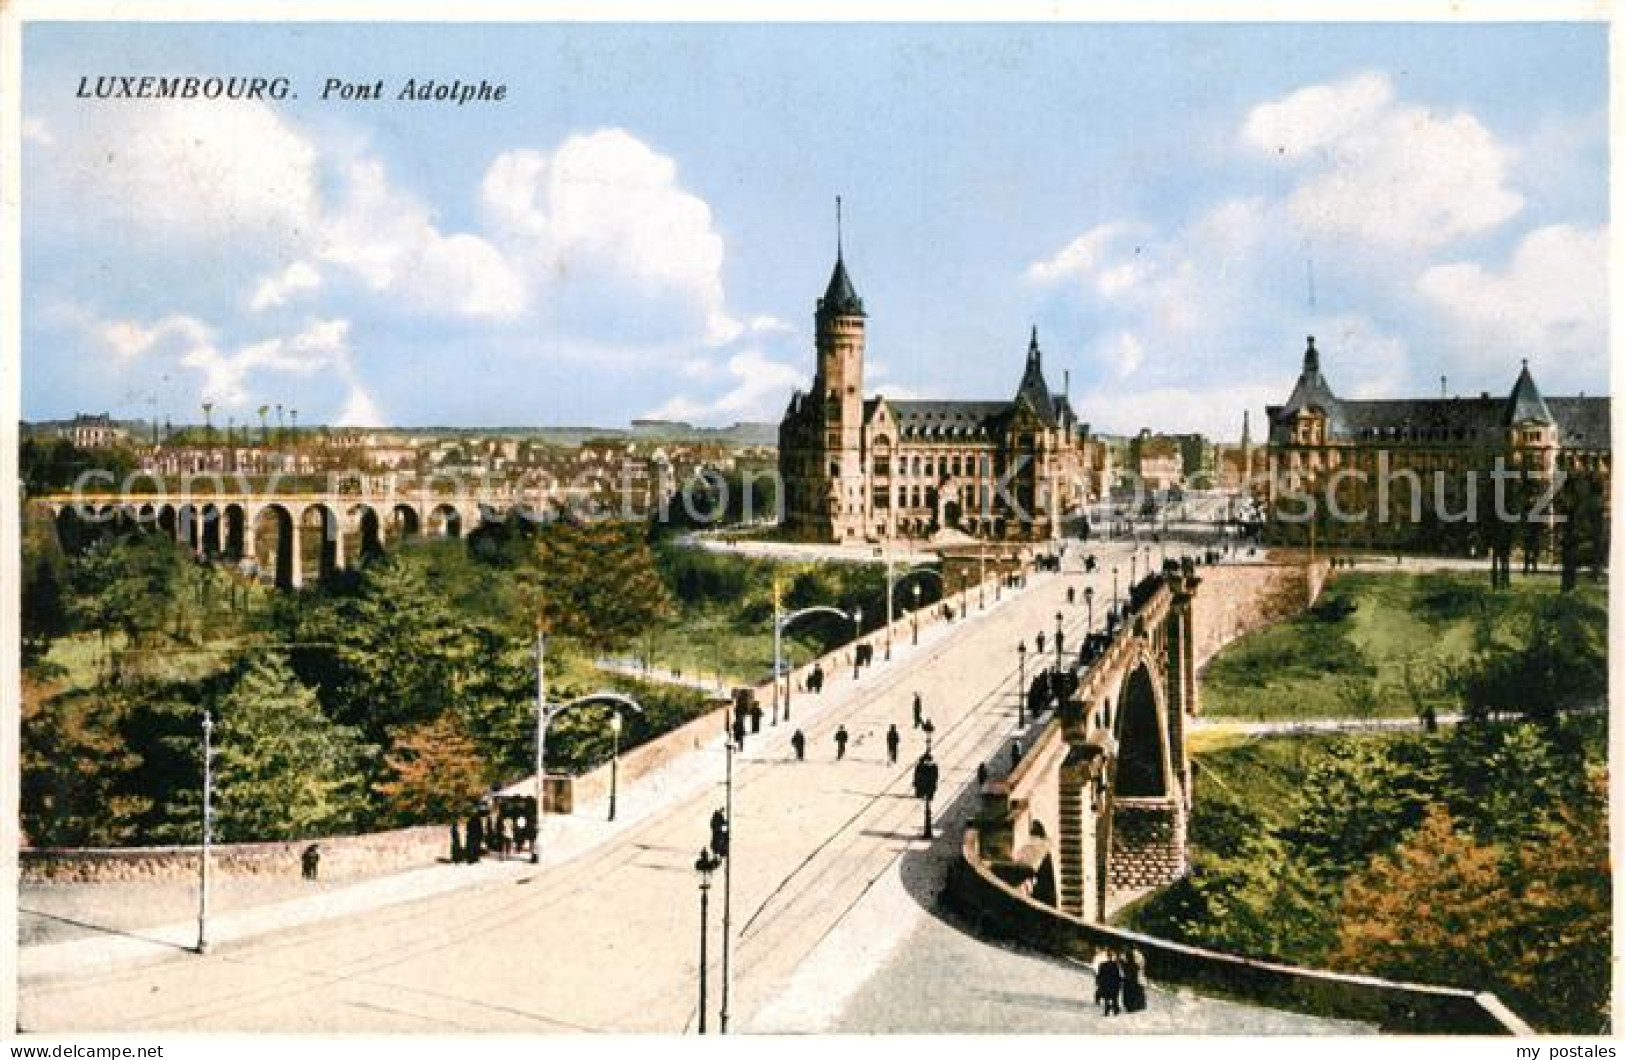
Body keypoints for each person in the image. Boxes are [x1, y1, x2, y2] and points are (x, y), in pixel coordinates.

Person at [1096, 949, 1122, 1016]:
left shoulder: (1103, 965)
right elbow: (1117, 975)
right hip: (1112, 984)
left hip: (1106, 983)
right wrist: (1119, 983)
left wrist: (1099, 982)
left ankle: (1108, 1011)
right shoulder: (1114, 965)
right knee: (1114, 998)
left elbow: (1100, 974)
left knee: (1108, 998)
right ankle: (1115, 1010)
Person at [1122, 948, 1147, 1013]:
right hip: (1134, 981)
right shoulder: (1135, 965)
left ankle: (1131, 1007)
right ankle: (1136, 1006)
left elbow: (1126, 971)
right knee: (1135, 993)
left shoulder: (1127, 964)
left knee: (1130, 994)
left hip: (1130, 981)